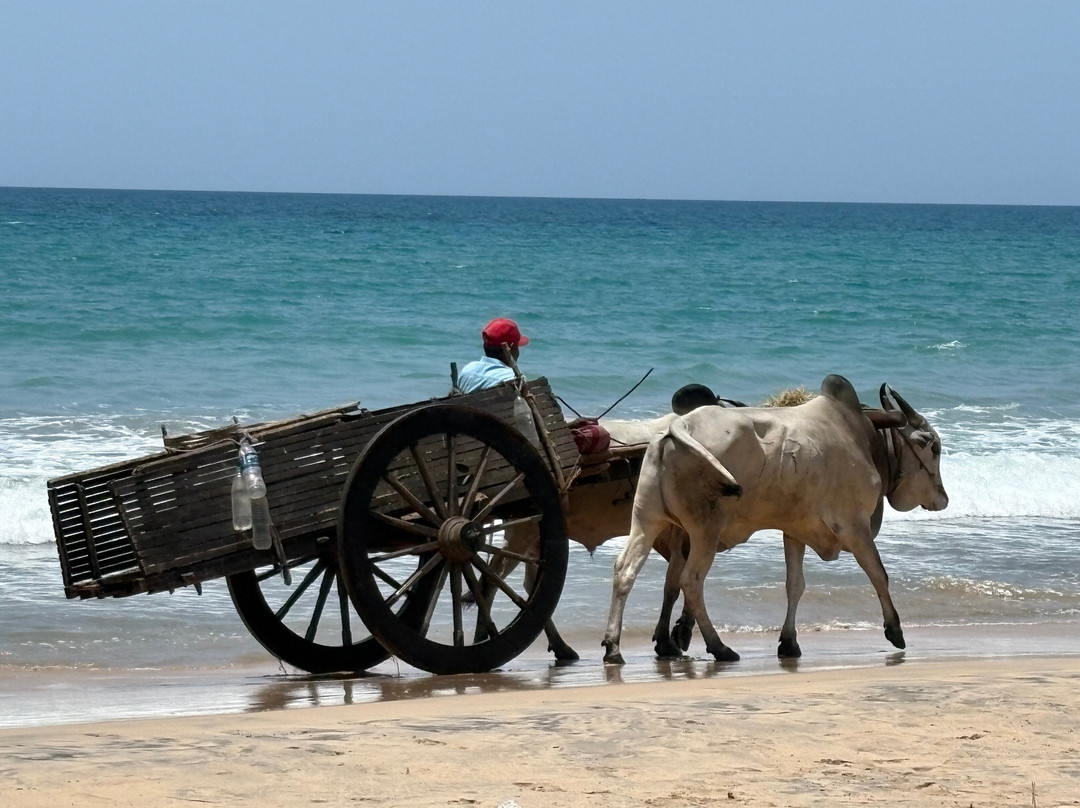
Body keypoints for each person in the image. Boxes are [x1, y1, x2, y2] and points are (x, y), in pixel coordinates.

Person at [455, 318, 529, 394]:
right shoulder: (513, 379)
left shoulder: (467, 370)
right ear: (511, 347)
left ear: (485, 346)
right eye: (517, 347)